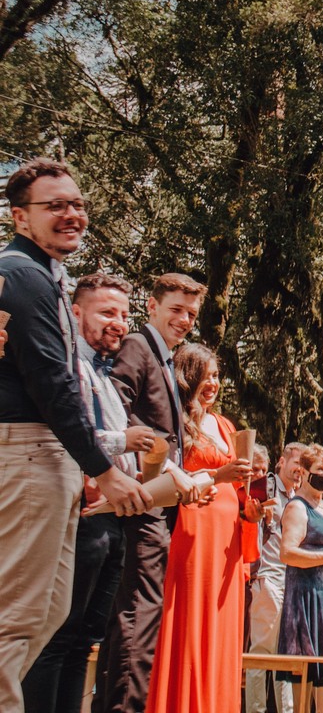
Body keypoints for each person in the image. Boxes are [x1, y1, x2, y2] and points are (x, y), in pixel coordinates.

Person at [0, 159, 151, 711]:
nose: (71, 215)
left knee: (46, 615)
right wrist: (105, 470)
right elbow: (53, 384)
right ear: (20, 217)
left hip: (48, 456)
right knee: (16, 618)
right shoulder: (21, 277)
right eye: (55, 206)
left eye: (77, 204)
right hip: (28, 453)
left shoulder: (43, 277)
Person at [22, 273, 166, 713]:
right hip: (80, 513)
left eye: (123, 314)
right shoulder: (69, 369)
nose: (118, 322)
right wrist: (124, 440)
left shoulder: (105, 375)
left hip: (114, 518)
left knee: (85, 639)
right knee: (57, 635)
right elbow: (63, 432)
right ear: (75, 313)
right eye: (106, 313)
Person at [93, 271, 207, 713]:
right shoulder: (138, 348)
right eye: (176, 309)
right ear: (152, 306)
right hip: (142, 502)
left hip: (159, 501)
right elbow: (114, 413)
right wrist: (164, 467)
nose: (184, 320)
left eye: (191, 314)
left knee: (135, 616)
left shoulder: (165, 358)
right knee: (139, 616)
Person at [145, 343, 254, 712]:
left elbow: (235, 484)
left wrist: (250, 510)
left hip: (227, 540)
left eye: (217, 376)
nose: (213, 383)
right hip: (192, 529)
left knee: (220, 624)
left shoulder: (224, 424)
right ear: (187, 376)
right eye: (206, 376)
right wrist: (218, 475)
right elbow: (165, 474)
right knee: (190, 617)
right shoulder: (175, 420)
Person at [278, 444, 323, 713]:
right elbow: (288, 553)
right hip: (305, 599)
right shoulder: (298, 507)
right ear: (304, 472)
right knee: (304, 674)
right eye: (320, 468)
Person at [245, 442, 306, 713]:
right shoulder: (266, 487)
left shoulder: (297, 496)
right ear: (282, 461)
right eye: (297, 463)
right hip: (268, 578)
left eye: (304, 467)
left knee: (284, 655)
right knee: (261, 652)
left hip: (290, 582)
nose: (300, 470)